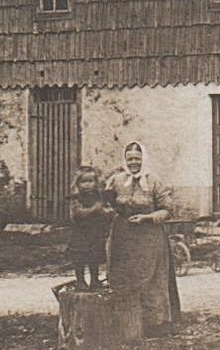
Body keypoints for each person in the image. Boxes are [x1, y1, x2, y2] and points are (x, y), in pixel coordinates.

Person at [104, 142, 180, 334]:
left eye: (137, 159)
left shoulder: (154, 181)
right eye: (130, 159)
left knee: (152, 278)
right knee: (124, 276)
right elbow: (107, 203)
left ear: (144, 159)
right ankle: (127, 323)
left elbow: (168, 210)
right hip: (123, 237)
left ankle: (154, 324)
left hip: (149, 237)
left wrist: (147, 218)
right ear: (125, 160)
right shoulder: (117, 180)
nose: (134, 163)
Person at [67, 166, 113, 291]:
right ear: (78, 183)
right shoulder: (76, 198)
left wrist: (106, 212)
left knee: (94, 257)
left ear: (95, 182)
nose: (87, 185)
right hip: (80, 234)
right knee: (79, 258)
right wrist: (94, 210)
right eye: (83, 182)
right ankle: (80, 281)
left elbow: (106, 210)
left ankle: (94, 280)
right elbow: (77, 213)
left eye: (90, 181)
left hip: (95, 233)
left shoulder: (98, 197)